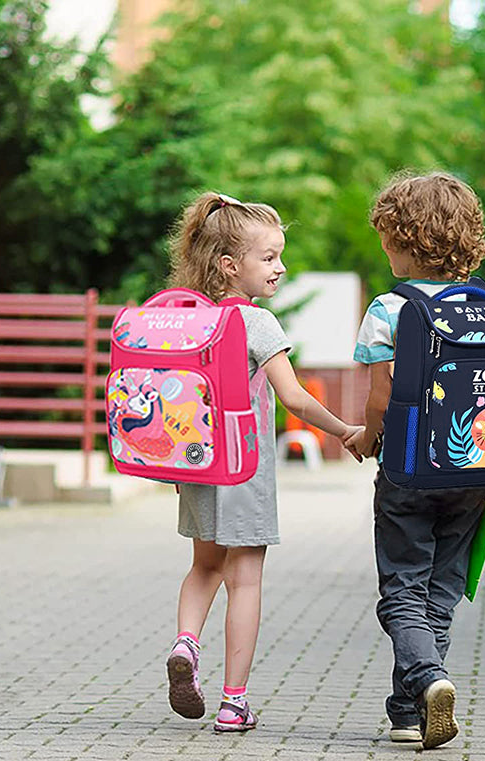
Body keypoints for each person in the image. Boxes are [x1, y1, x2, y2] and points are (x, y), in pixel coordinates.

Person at [166, 192, 363, 733]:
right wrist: (345, 430)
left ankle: (186, 644)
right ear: (231, 265)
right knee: (245, 579)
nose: (280, 267)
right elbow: (295, 399)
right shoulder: (257, 324)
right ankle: (234, 703)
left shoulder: (190, 320)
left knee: (204, 566)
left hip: (198, 469)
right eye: (269, 257)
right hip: (245, 471)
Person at [351, 172, 485, 750]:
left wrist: (367, 437)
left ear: (410, 240)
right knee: (440, 589)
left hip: (410, 469)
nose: (384, 249)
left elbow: (382, 396)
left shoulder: (391, 308)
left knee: (402, 589)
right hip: (475, 473)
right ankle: (409, 713)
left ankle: (428, 679)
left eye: (388, 239)